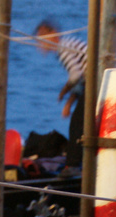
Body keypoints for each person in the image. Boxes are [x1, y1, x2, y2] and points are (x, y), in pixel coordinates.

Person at [33, 20, 87, 162]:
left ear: (51, 34)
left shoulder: (63, 47)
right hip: (92, 83)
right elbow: (81, 77)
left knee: (77, 125)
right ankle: (78, 161)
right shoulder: (66, 44)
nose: (41, 45)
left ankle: (73, 165)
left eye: (42, 39)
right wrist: (69, 102)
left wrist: (64, 92)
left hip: (96, 82)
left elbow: (76, 75)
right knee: (80, 122)